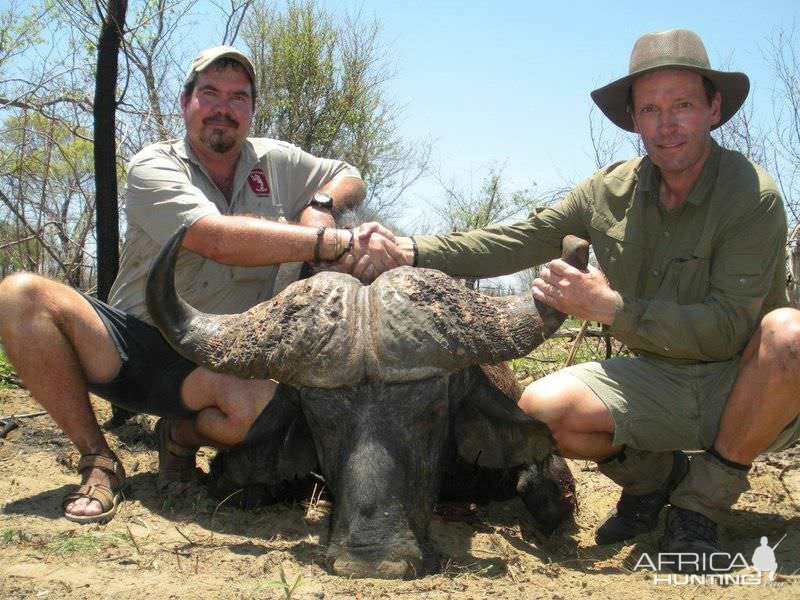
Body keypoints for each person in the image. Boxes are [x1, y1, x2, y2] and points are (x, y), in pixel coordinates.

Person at [351, 29, 800, 573]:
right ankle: (657, 482)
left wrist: (612, 308)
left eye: (682, 105)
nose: (667, 123)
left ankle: (699, 505)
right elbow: (516, 239)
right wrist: (412, 248)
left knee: (788, 334)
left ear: (713, 107)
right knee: (538, 412)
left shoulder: (754, 196)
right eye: (650, 109)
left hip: (749, 386)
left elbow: (729, 330)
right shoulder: (606, 191)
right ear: (633, 120)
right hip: (661, 377)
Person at [0, 46, 399, 524]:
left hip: (223, 355)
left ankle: (178, 437)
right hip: (133, 344)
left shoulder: (275, 160)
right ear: (186, 102)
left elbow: (348, 174)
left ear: (251, 109)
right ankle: (97, 460)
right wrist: (330, 241)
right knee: (20, 294)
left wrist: (320, 202)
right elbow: (213, 238)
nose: (222, 107)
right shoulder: (153, 164)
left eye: (238, 97)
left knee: (265, 414)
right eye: (209, 92)